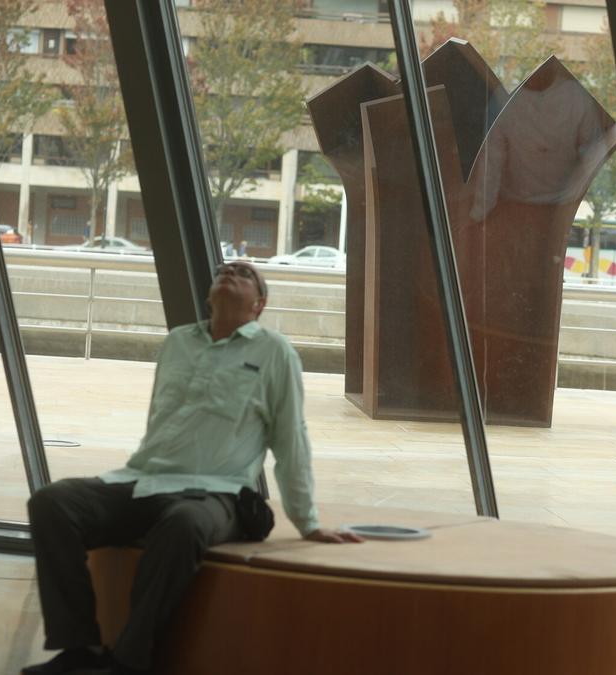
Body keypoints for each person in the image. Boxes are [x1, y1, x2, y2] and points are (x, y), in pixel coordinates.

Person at [21, 260, 362, 675]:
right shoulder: (178, 341)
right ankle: (77, 649)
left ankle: (128, 662)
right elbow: (159, 418)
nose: (229, 270)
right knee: (52, 502)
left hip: (218, 493)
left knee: (184, 523)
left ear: (259, 304)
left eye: (244, 273)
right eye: (223, 269)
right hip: (143, 479)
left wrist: (307, 522)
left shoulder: (274, 352)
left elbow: (291, 438)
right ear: (208, 295)